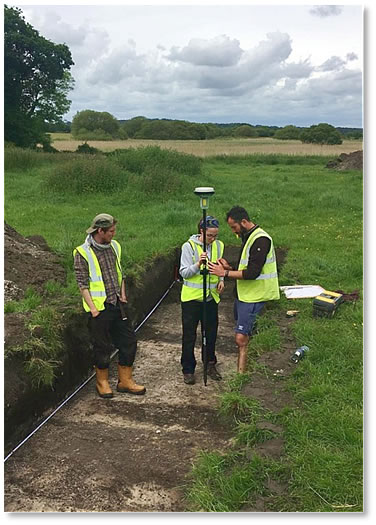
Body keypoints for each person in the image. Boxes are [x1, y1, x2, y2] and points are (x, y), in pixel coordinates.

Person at [73, 213, 145, 398]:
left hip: (117, 304)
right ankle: (102, 382)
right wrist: (94, 309)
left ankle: (125, 381)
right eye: (111, 231)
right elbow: (82, 284)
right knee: (102, 346)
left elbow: (119, 272)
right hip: (99, 308)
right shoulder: (83, 252)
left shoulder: (114, 246)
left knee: (129, 341)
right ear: (100, 231)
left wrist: (122, 294)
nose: (114, 234)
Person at [208, 206, 279, 374]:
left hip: (254, 296)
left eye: (234, 227)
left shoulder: (261, 240)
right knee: (245, 335)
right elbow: (245, 267)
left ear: (244, 222)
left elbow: (253, 272)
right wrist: (230, 267)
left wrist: (224, 273)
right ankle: (245, 371)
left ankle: (242, 377)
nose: (234, 231)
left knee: (241, 338)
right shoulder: (249, 237)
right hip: (244, 294)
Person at [179, 216, 225, 385]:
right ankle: (188, 369)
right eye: (210, 235)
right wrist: (198, 264)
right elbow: (184, 273)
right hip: (191, 299)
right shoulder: (188, 247)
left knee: (211, 333)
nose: (213, 239)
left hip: (211, 298)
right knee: (189, 335)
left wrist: (221, 281)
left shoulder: (219, 246)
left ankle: (210, 364)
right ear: (201, 232)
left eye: (216, 235)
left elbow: (220, 268)